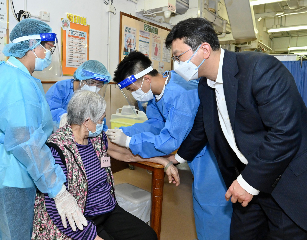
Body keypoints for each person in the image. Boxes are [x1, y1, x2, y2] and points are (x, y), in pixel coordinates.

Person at [165, 17, 307, 239]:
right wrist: (177, 158)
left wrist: (248, 182)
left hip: (283, 180)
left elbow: (285, 132)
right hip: (245, 179)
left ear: (203, 49)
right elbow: (202, 127)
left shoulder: (259, 68)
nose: (176, 65)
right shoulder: (205, 84)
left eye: (178, 57)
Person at [0, 19, 87, 240]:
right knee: (15, 232)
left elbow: (26, 124)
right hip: (10, 172)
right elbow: (26, 142)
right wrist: (58, 190)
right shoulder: (17, 82)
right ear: (33, 46)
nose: (49, 55)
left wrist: (55, 127)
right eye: (48, 49)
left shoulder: (11, 74)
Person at [106, 51, 232, 240]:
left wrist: (129, 142)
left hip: (210, 154)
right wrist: (125, 132)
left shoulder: (179, 93)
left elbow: (170, 140)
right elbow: (156, 125)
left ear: (146, 79)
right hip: (195, 152)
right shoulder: (157, 93)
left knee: (213, 207)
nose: (134, 94)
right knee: (203, 206)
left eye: (132, 89)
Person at [32, 90, 178, 240]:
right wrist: (92, 237)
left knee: (147, 236)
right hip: (80, 218)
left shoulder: (96, 137)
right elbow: (55, 208)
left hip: (107, 210)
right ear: (87, 121)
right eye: (101, 120)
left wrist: (164, 162)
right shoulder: (57, 149)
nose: (103, 124)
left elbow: (127, 154)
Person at [45, 60, 111, 130]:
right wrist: (63, 117)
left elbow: (100, 121)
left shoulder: (95, 99)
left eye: (99, 84)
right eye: (91, 82)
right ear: (81, 78)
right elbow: (49, 110)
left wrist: (105, 132)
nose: (94, 88)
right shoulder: (61, 88)